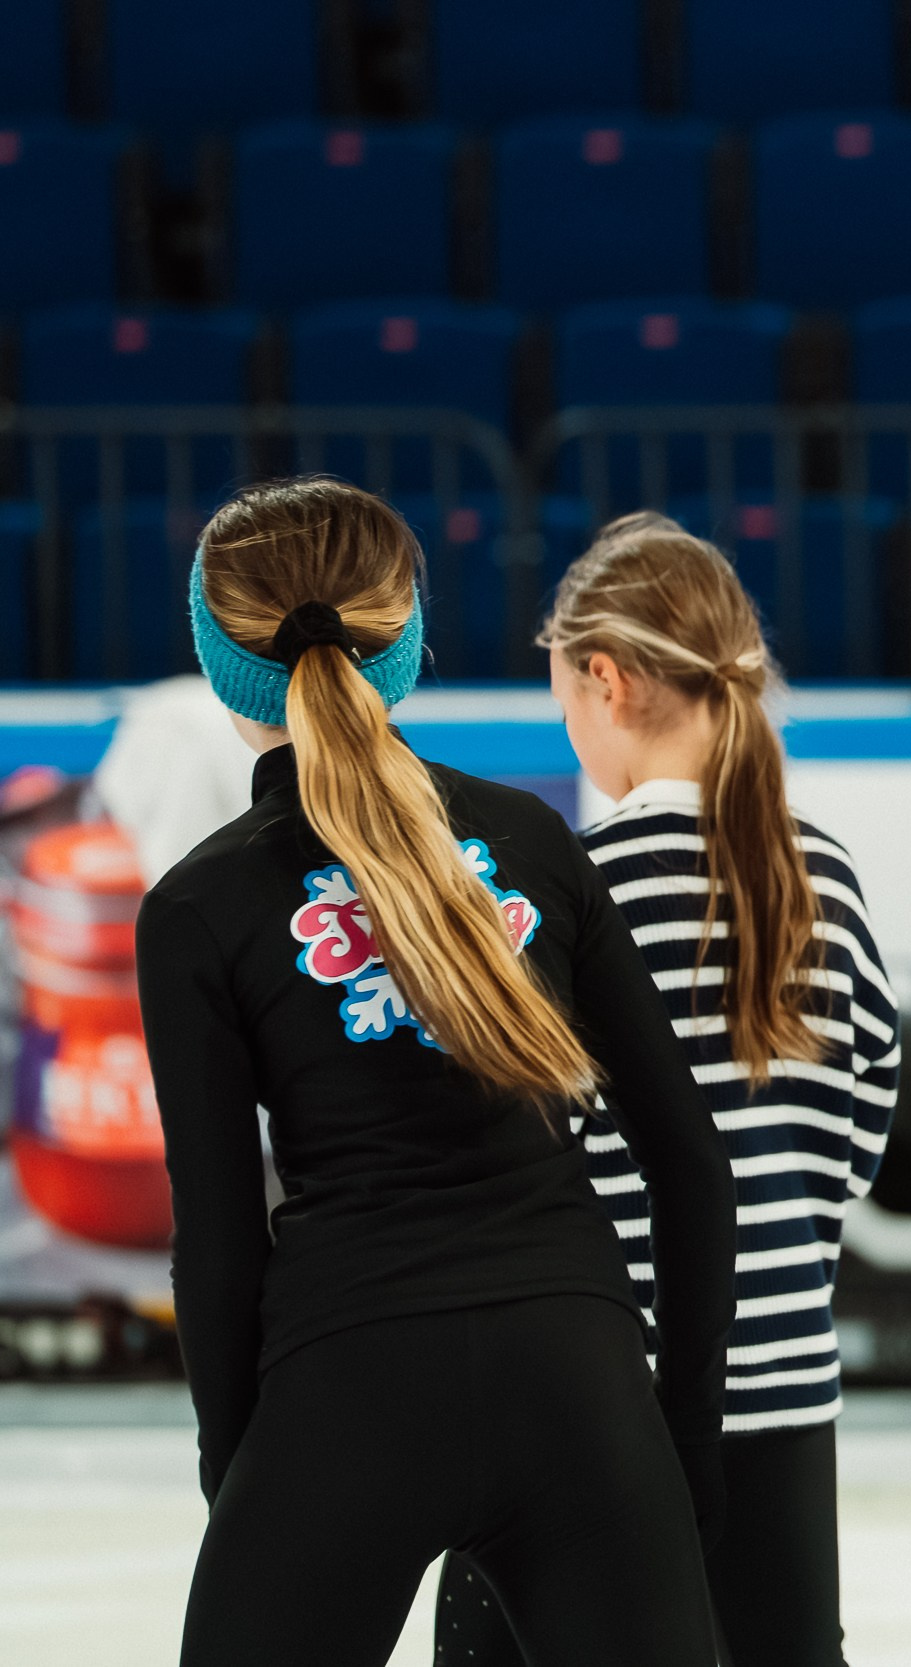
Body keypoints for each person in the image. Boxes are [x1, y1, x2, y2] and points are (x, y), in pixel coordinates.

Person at [138, 477, 736, 1667]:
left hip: (349, 1385)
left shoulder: (198, 904)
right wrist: (671, 1444)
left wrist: (246, 1474)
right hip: (579, 1383)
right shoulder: (533, 840)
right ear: (407, 638)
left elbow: (215, 1238)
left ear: (219, 661)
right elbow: (690, 1165)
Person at [436, 513, 901, 1667]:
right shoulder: (821, 873)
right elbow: (860, 1123)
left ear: (605, 679)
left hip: (599, 1392)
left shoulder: (577, 888)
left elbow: (523, 1146)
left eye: (564, 701)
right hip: (784, 1376)